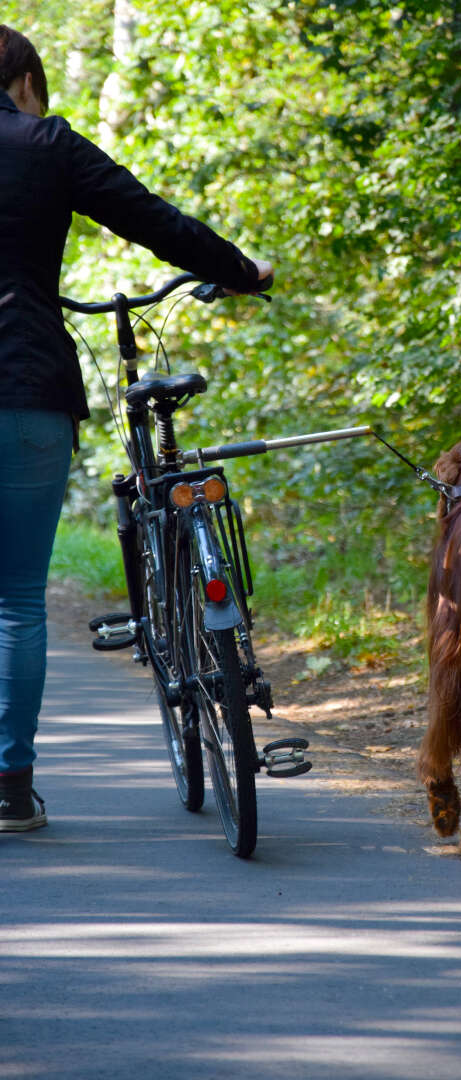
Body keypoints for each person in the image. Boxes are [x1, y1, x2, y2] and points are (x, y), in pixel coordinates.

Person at [0, 25, 273, 831]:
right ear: (20, 79)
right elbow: (148, 217)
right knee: (16, 599)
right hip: (27, 387)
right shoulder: (44, 143)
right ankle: (9, 790)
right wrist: (238, 270)